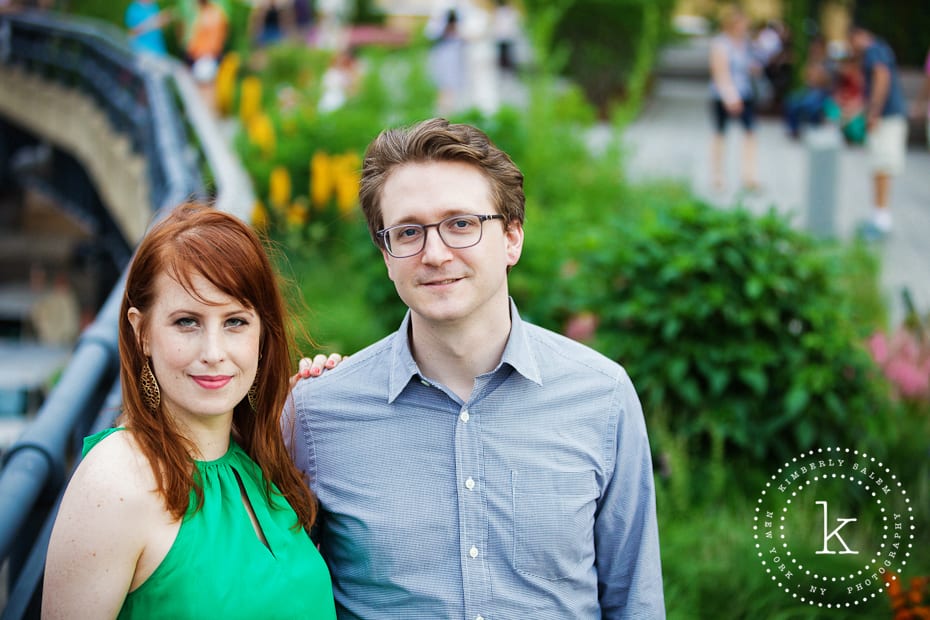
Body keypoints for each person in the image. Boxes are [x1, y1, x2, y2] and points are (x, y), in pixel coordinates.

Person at [287, 118, 665, 618]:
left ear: (511, 239)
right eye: (408, 231)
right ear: (386, 254)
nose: (436, 254)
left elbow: (632, 600)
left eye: (461, 224)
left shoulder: (601, 394)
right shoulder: (317, 414)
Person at [43, 204, 337, 618]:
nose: (214, 353)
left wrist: (328, 398)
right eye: (187, 322)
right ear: (141, 331)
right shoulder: (115, 482)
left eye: (235, 322)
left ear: (261, 334)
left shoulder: (258, 461)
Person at [848, 24, 908, 238]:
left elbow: (881, 76)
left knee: (882, 166)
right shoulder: (881, 48)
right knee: (879, 166)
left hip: (886, 118)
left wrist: (873, 113)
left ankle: (882, 220)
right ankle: (878, 216)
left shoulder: (873, 50)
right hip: (888, 116)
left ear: (859, 35)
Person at [709, 5, 761, 192]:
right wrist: (730, 97)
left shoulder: (745, 44)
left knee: (750, 133)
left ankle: (749, 175)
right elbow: (720, 73)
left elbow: (748, 67)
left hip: (745, 93)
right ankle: (718, 176)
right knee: (720, 134)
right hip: (724, 96)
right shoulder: (721, 44)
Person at [783, 35, 833, 139]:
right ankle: (794, 129)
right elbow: (806, 77)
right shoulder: (811, 61)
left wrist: (817, 76)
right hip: (809, 90)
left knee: (810, 105)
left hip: (822, 92)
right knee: (791, 100)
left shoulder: (828, 62)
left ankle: (814, 129)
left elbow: (825, 81)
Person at [185, 0, 229, 111]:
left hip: (205, 55)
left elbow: (202, 38)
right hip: (206, 55)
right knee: (207, 87)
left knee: (205, 88)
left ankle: (207, 115)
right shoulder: (214, 13)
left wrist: (193, 50)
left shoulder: (209, 15)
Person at [427, 8, 467, 116]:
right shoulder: (440, 31)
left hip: (454, 59)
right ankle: (444, 112)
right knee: (444, 87)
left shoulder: (457, 33)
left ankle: (447, 112)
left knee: (450, 88)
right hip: (444, 58)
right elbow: (431, 34)